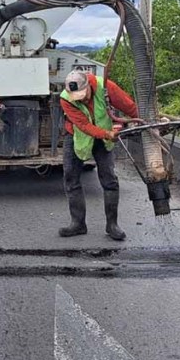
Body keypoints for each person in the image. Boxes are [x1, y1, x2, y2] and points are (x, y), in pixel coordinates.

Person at [58, 68, 139, 241]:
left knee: (109, 180)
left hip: (104, 139)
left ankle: (112, 225)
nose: (83, 99)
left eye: (83, 95)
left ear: (88, 84)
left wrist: (145, 121)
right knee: (71, 179)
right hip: (77, 136)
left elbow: (130, 107)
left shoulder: (106, 87)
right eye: (77, 97)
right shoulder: (66, 99)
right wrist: (106, 133)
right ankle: (78, 224)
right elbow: (84, 125)